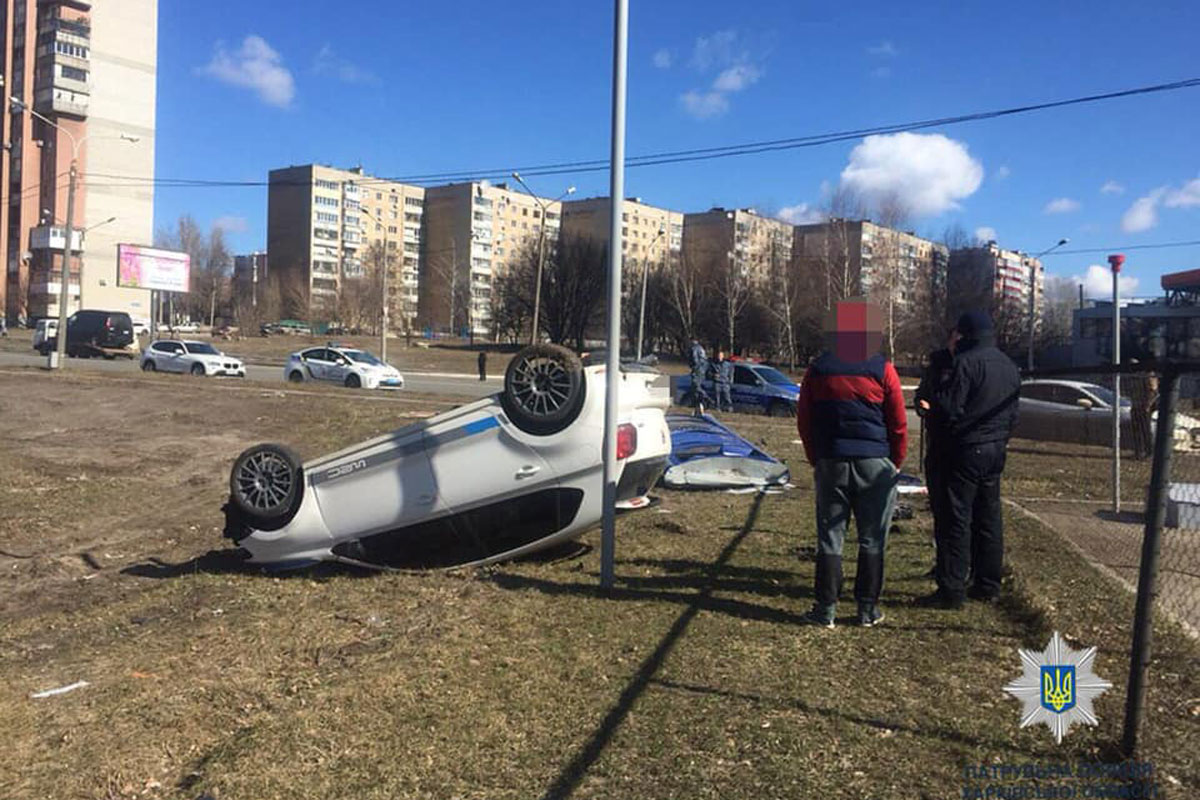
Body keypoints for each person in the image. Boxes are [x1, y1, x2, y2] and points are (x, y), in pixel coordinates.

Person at [796, 299, 907, 628]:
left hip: (832, 460)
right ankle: (867, 609)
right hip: (876, 462)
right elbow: (898, 422)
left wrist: (816, 457)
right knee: (873, 538)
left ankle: (825, 608)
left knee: (830, 537)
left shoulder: (817, 369)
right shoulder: (883, 369)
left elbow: (805, 419)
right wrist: (894, 461)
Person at [920, 310, 1021, 609]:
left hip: (964, 449)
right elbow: (1013, 412)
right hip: (996, 448)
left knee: (956, 519)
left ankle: (951, 589)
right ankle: (988, 583)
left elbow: (951, 408)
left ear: (965, 335)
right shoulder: (1008, 365)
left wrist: (932, 406)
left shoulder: (966, 363)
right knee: (988, 517)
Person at [914, 336, 956, 575]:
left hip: (959, 445)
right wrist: (921, 404)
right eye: (952, 338)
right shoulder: (936, 366)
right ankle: (942, 562)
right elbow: (922, 393)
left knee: (958, 511)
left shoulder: (967, 366)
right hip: (936, 441)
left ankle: (958, 565)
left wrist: (937, 407)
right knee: (939, 506)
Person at [1127, 364, 1158, 460]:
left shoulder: (1147, 375)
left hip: (1144, 407)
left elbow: (1153, 392)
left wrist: (1148, 405)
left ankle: (1149, 452)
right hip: (1135, 405)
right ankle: (1138, 452)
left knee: (1145, 430)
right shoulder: (1133, 377)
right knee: (1136, 430)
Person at [687, 339, 709, 414]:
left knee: (696, 386)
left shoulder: (694, 349)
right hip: (702, 370)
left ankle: (706, 397)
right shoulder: (701, 348)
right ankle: (699, 403)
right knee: (697, 387)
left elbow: (695, 359)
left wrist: (694, 368)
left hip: (698, 370)